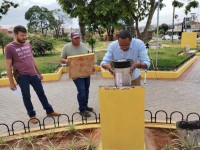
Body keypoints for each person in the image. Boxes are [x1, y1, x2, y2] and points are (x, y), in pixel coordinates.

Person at [5, 25, 61, 124]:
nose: (24, 37)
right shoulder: (10, 48)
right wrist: (11, 83)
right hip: (22, 76)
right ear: (15, 34)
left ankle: (49, 111)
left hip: (33, 74)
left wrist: (39, 73)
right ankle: (32, 115)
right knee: (26, 96)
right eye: (22, 35)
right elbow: (8, 66)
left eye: (25, 35)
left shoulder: (27, 44)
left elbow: (32, 59)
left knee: (41, 93)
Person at [60, 32, 94, 118]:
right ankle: (82, 110)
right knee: (81, 90)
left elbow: (89, 58)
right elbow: (61, 59)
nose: (77, 39)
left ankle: (85, 105)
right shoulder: (66, 47)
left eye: (78, 37)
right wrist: (65, 61)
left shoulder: (84, 46)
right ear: (71, 38)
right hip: (76, 73)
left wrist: (92, 66)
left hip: (86, 72)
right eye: (75, 38)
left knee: (86, 90)